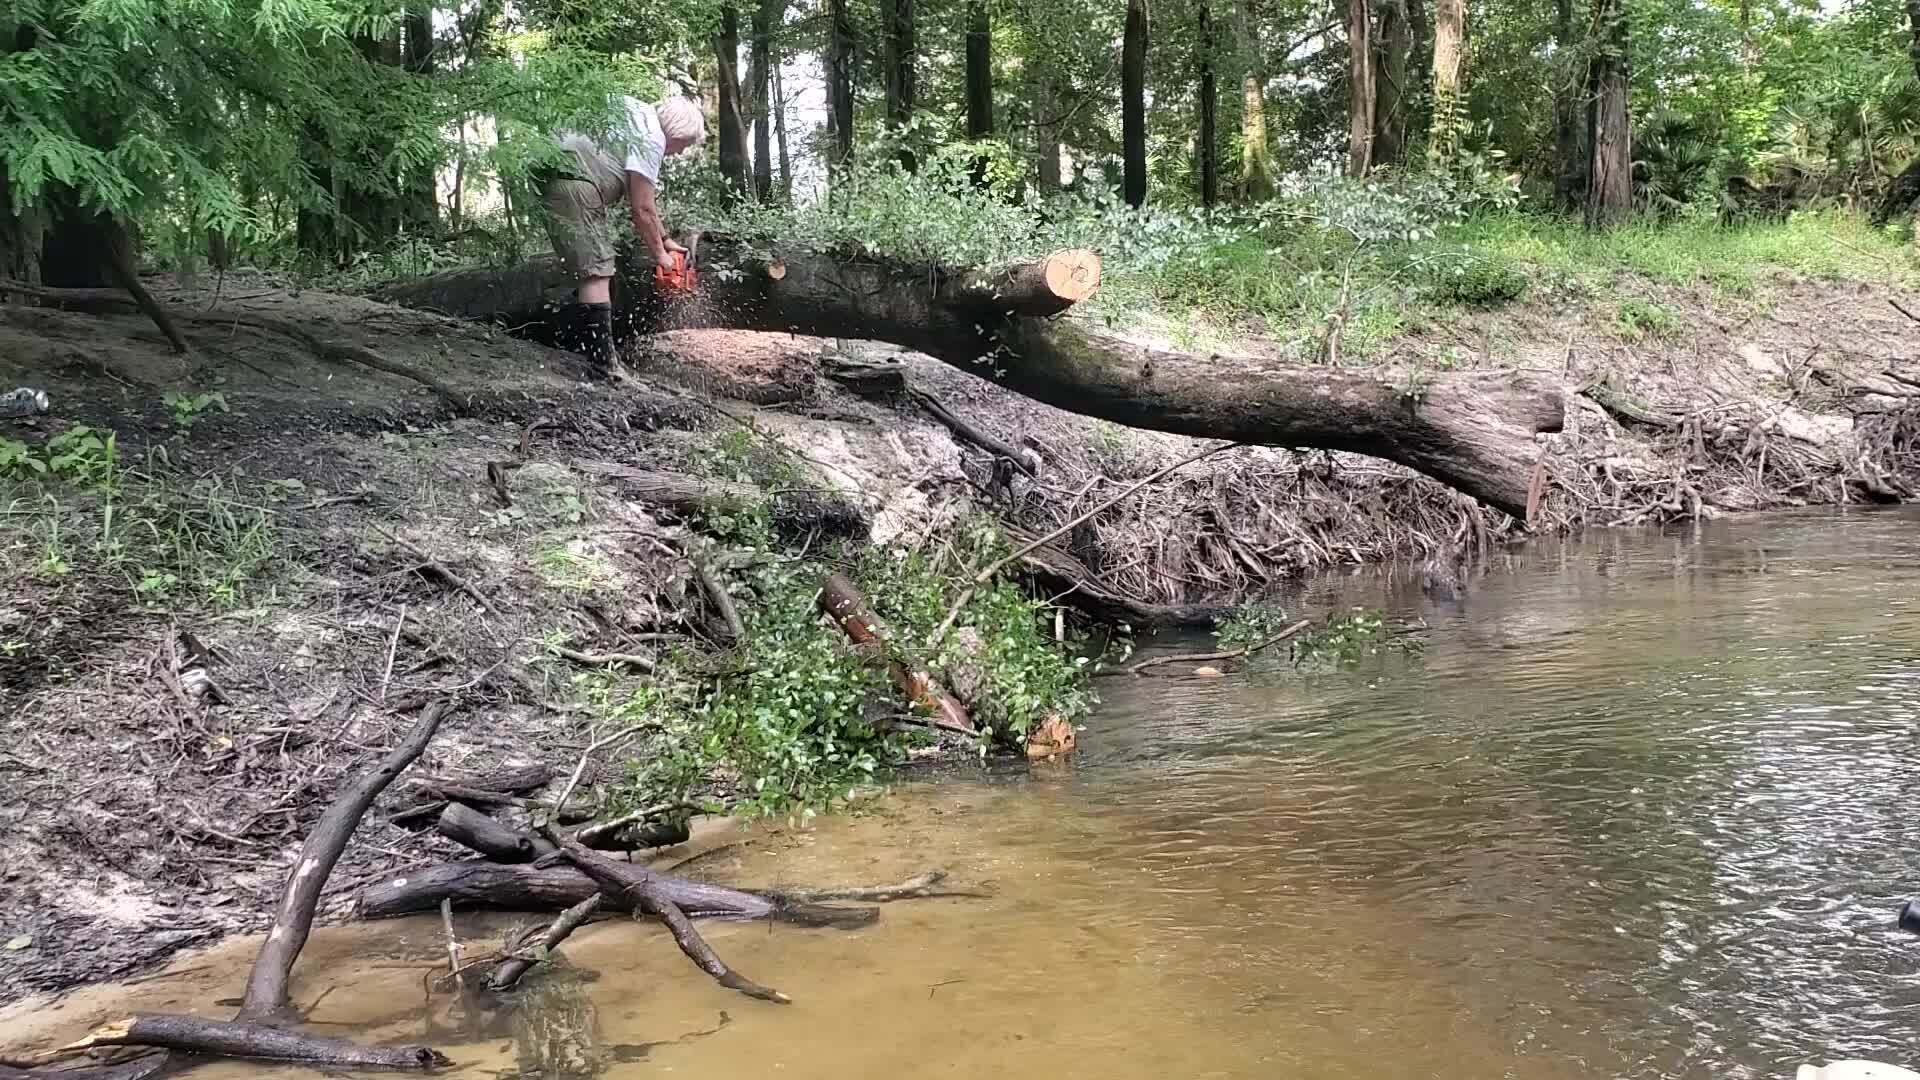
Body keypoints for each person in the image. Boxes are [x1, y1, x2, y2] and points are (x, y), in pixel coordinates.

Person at [539, 95, 706, 376]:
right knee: (596, 271)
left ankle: (576, 348)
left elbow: (639, 199)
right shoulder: (652, 138)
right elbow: (641, 208)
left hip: (558, 170)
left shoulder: (637, 113)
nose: (678, 153)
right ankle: (603, 366)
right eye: (683, 146)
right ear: (677, 132)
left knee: (585, 268)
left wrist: (664, 240)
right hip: (576, 183)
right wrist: (662, 258)